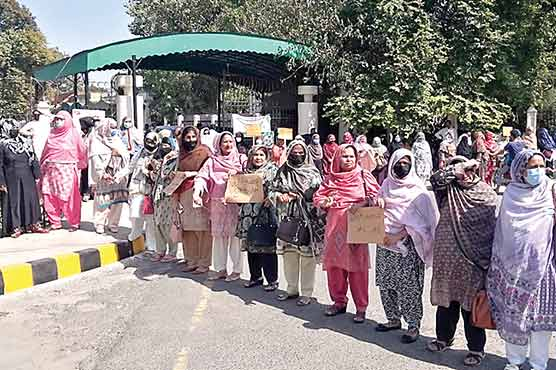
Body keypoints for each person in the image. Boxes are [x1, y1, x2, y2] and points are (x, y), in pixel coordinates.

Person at [487, 150, 555, 370]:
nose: (537, 171)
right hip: (512, 269)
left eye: (540, 166)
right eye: (532, 167)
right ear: (520, 170)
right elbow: (504, 230)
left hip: (544, 267)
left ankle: (538, 364)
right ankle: (515, 361)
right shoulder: (510, 194)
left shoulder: (551, 189)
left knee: (540, 319)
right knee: (514, 315)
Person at [427, 156, 498, 367]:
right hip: (447, 258)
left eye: (467, 169)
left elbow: (492, 227)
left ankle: (476, 348)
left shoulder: (485, 192)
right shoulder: (447, 190)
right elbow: (435, 179)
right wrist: (456, 169)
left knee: (471, 306)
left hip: (474, 259)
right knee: (446, 302)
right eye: (459, 169)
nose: (464, 174)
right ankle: (443, 338)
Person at [375, 149, 439, 342]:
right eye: (398, 162)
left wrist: (400, 235)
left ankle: (413, 325)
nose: (402, 166)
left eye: (406, 162)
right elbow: (378, 211)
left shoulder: (418, 190)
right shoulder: (386, 184)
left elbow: (425, 224)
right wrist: (378, 202)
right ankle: (393, 318)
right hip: (384, 241)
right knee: (386, 284)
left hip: (408, 245)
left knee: (409, 287)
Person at [314, 144, 380, 322]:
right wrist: (325, 201)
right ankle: (339, 302)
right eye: (345, 157)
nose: (348, 160)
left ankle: (361, 307)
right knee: (335, 267)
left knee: (357, 269)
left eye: (351, 156)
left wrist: (365, 202)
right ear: (337, 158)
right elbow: (317, 197)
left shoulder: (363, 176)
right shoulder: (331, 178)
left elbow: (377, 195)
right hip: (335, 229)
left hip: (358, 227)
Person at [269, 140, 325, 306]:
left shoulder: (313, 171)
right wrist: (279, 196)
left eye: (301, 152)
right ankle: (291, 289)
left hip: (308, 219)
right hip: (287, 218)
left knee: (307, 258)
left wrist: (302, 196)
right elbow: (272, 190)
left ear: (306, 153)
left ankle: (307, 293)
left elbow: (319, 193)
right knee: (289, 256)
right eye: (295, 152)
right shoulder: (283, 170)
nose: (298, 155)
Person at [194, 131, 246, 282]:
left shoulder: (241, 159)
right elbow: (202, 177)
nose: (228, 145)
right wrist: (197, 192)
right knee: (218, 238)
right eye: (225, 142)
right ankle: (220, 269)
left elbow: (250, 174)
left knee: (235, 238)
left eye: (230, 141)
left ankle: (236, 270)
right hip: (217, 204)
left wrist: (237, 172)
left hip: (235, 204)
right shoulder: (212, 161)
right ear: (218, 144)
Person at [236, 146, 279, 291]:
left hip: (265, 213)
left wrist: (270, 196)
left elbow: (277, 187)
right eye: (255, 155)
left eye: (261, 155)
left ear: (266, 156)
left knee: (267, 246)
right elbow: (239, 193)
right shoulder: (246, 172)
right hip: (248, 214)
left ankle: (272, 280)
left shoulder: (272, 170)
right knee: (252, 246)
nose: (258, 158)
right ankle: (256, 277)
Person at [173, 126, 212, 274]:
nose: (190, 140)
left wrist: (191, 174)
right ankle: (191, 260)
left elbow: (209, 170)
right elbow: (177, 170)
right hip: (183, 193)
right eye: (187, 138)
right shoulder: (181, 154)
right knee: (188, 229)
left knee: (202, 229)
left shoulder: (204, 152)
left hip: (199, 193)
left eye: (193, 137)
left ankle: (204, 262)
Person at [40, 111, 87, 231]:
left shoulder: (73, 134)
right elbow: (45, 152)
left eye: (61, 119)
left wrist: (81, 164)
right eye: (56, 119)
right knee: (49, 195)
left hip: (67, 170)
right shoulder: (51, 134)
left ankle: (74, 222)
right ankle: (55, 221)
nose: (57, 122)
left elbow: (82, 150)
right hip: (51, 170)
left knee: (69, 197)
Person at [0, 120, 47, 237]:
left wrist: (37, 174)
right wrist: (1, 182)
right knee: (14, 201)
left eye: (15, 128)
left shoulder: (26, 142)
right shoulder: (2, 144)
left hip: (27, 175)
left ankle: (34, 224)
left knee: (31, 200)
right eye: (11, 128)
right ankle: (16, 227)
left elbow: (33, 158)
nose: (14, 130)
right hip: (11, 177)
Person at [88, 118, 129, 234]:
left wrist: (119, 156)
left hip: (118, 176)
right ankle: (100, 223)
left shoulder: (118, 141)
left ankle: (113, 223)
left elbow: (126, 157)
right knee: (102, 201)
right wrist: (103, 173)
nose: (113, 129)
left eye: (115, 127)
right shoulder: (96, 141)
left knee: (117, 201)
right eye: (111, 127)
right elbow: (95, 160)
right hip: (103, 176)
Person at [127, 131, 160, 252]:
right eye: (148, 141)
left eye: (153, 141)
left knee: (151, 221)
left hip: (151, 193)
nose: (150, 143)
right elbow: (130, 168)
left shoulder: (160, 155)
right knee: (135, 216)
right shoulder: (140, 153)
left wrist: (150, 171)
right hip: (137, 190)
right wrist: (119, 176)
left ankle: (151, 247)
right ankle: (133, 238)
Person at [150, 130, 179, 263]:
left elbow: (176, 175)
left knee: (169, 223)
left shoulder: (176, 158)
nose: (165, 146)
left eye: (167, 142)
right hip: (157, 194)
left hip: (170, 194)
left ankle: (172, 252)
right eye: (163, 142)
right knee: (158, 223)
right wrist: (153, 170)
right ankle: (160, 250)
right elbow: (155, 177)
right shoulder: (157, 157)